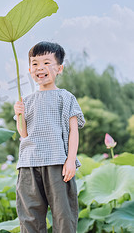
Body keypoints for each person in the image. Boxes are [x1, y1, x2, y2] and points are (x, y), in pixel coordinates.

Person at [13, 41, 85, 233]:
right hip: (28, 164)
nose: (40, 68)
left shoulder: (66, 97)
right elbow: (24, 134)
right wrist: (19, 114)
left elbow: (73, 131)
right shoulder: (25, 101)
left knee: (64, 216)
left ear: (59, 68)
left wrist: (71, 160)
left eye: (46, 62)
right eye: (35, 63)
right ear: (29, 69)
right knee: (30, 217)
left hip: (57, 163)